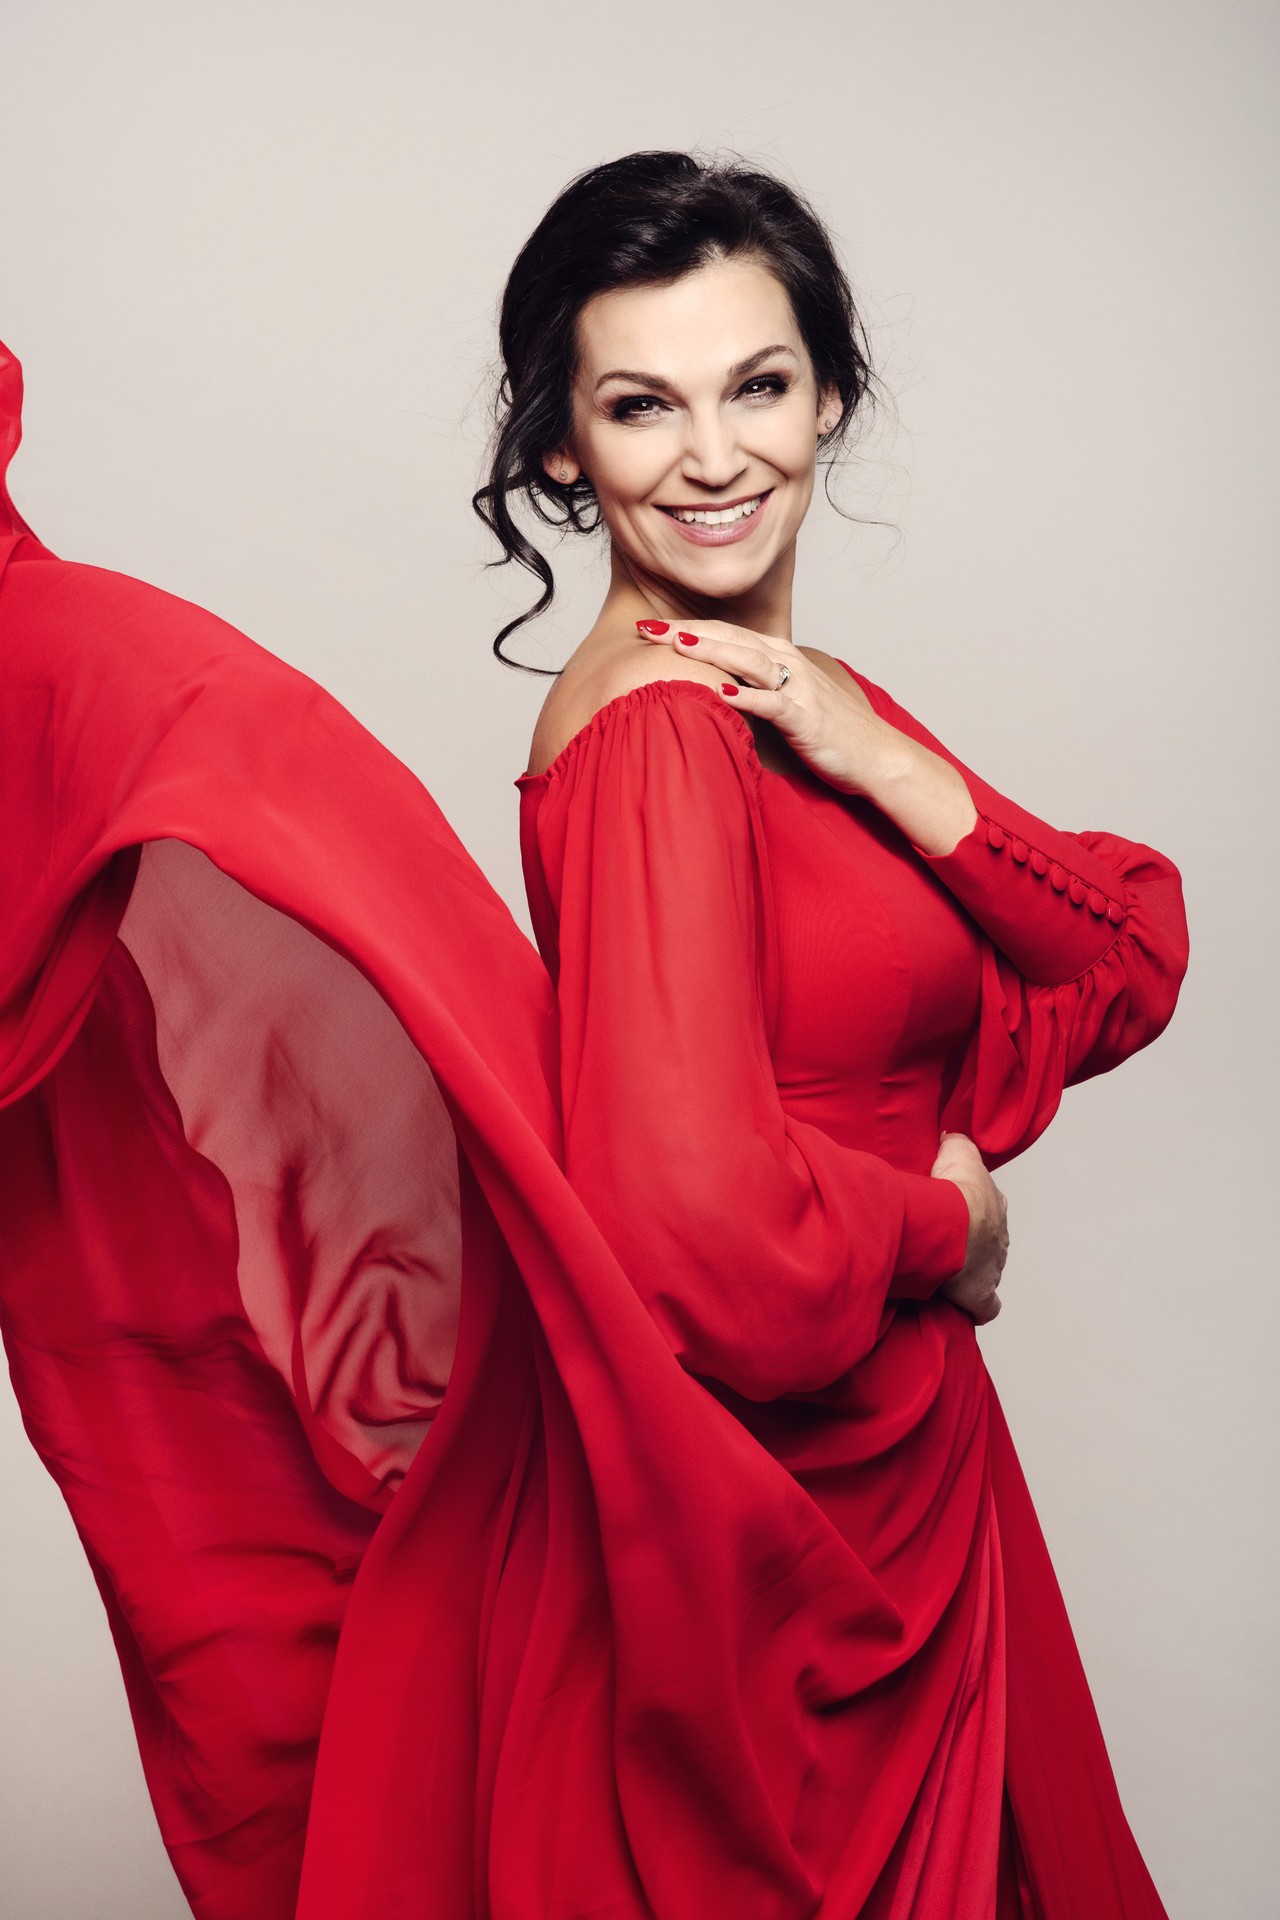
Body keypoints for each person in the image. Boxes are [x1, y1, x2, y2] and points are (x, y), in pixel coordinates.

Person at [0, 148, 1188, 1920]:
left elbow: (1125, 959)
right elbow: (697, 1233)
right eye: (641, 405)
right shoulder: (659, 737)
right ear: (562, 447)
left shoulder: (801, 715)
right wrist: (951, 1227)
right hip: (776, 1551)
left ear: (832, 396)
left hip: (902, 1507)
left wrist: (887, 759)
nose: (714, 457)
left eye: (758, 386)